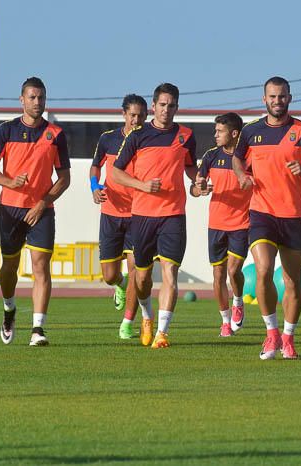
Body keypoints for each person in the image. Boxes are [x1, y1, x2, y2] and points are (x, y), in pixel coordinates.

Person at [232, 76, 301, 360]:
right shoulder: (251, 131)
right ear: (264, 99)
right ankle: (271, 334)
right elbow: (238, 158)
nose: (277, 101)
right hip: (262, 211)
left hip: (293, 216)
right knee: (263, 269)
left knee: (292, 281)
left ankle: (288, 338)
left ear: (290, 98)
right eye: (272, 97)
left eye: (282, 96)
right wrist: (242, 175)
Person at [0, 77, 71, 347]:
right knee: (9, 266)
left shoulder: (55, 134)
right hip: (10, 209)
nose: (37, 102)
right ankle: (9, 309)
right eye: (32, 97)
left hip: (42, 210)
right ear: (21, 99)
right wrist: (9, 182)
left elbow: (65, 178)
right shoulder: (6, 130)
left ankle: (38, 328)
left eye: (41, 97)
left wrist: (43, 203)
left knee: (40, 267)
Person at [112, 83, 197, 349]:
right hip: (142, 215)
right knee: (141, 278)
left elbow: (192, 169)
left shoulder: (186, 135)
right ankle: (147, 317)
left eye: (172, 105)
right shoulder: (138, 135)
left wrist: (199, 183)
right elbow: (116, 172)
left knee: (170, 273)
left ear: (177, 107)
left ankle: (162, 333)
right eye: (162, 105)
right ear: (153, 106)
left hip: (173, 214)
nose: (167, 110)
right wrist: (142, 185)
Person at [90, 94, 147, 339]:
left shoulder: (149, 140)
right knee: (109, 275)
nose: (136, 120)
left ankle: (127, 323)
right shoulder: (108, 139)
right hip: (111, 213)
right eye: (132, 115)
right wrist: (94, 186)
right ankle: (120, 286)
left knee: (136, 268)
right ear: (123, 114)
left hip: (139, 214)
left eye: (141, 115)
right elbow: (95, 166)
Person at [194, 112, 250, 337]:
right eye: (215, 131)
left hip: (242, 222)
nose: (215, 135)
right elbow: (195, 189)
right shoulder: (210, 156)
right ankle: (225, 321)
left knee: (234, 270)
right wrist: (200, 188)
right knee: (218, 275)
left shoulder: (249, 157)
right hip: (216, 224)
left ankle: (238, 301)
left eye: (220, 131)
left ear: (234, 133)